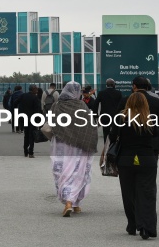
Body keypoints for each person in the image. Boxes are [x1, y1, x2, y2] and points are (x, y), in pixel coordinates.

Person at [109, 92, 159, 239]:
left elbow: (112, 137)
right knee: (147, 194)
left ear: (128, 103)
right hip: (147, 160)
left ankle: (132, 224)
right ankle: (146, 227)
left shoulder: (120, 118)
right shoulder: (150, 119)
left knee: (128, 193)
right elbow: (156, 135)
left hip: (126, 160)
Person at [49, 81, 98, 217]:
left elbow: (51, 122)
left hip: (61, 145)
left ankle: (72, 203)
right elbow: (89, 125)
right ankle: (72, 202)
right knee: (78, 171)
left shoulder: (56, 105)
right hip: (79, 145)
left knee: (62, 172)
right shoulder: (81, 105)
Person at [117, 76, 159, 155]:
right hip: (150, 144)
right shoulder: (156, 101)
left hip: (128, 145)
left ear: (134, 86)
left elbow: (117, 121)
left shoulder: (125, 100)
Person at [16, 85, 41, 158]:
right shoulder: (35, 98)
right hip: (32, 119)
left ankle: (25, 151)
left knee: (26, 134)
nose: (37, 90)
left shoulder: (23, 95)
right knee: (32, 135)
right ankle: (31, 152)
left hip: (24, 118)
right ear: (33, 89)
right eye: (36, 89)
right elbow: (38, 110)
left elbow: (15, 102)